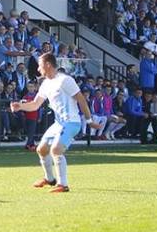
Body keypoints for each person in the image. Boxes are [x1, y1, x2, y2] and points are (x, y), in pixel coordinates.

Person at [10, 53, 100, 193]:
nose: (38, 69)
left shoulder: (65, 80)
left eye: (40, 66)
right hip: (59, 123)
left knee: (56, 150)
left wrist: (89, 121)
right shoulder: (46, 83)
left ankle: (63, 185)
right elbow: (35, 104)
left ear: (48, 65)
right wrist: (20, 106)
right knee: (41, 149)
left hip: (71, 122)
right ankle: (50, 179)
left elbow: (81, 100)